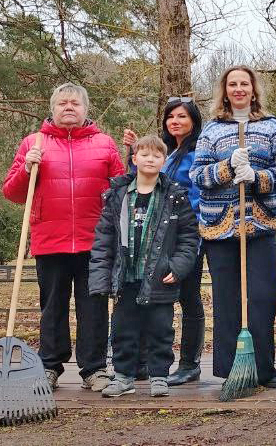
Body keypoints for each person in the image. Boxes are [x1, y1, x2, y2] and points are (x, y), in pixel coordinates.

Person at [2, 82, 124, 392]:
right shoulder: (34, 142)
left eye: (75, 103)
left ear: (85, 109)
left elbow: (122, 191)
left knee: (93, 308)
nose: (68, 107)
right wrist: (26, 169)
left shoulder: (105, 144)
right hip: (50, 240)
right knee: (52, 307)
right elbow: (13, 193)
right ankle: (49, 366)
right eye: (62, 103)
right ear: (53, 109)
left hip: (95, 242)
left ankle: (94, 369)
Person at [190, 65, 276, 389]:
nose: (239, 88)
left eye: (245, 83)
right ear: (225, 90)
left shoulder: (272, 127)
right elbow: (198, 175)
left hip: (259, 224)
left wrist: (257, 177)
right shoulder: (212, 130)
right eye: (233, 84)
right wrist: (227, 168)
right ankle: (231, 370)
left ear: (253, 88)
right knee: (227, 299)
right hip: (221, 226)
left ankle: (263, 368)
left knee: (263, 295)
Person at [89, 135, 199, 397]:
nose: (151, 159)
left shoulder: (175, 196)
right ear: (134, 158)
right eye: (145, 154)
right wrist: (101, 277)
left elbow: (189, 237)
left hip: (160, 279)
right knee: (123, 329)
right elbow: (104, 238)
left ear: (164, 161)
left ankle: (159, 375)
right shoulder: (118, 195)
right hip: (126, 278)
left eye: (157, 156)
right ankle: (123, 377)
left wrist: (178, 267)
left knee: (160, 329)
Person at [122, 97, 206, 386]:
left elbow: (197, 198)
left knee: (189, 297)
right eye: (171, 117)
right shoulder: (167, 153)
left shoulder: (197, 153)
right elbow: (142, 183)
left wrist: (189, 232)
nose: (175, 121)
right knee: (153, 294)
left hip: (186, 236)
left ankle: (189, 363)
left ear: (193, 120)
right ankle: (145, 361)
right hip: (156, 236)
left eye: (182, 116)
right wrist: (132, 154)